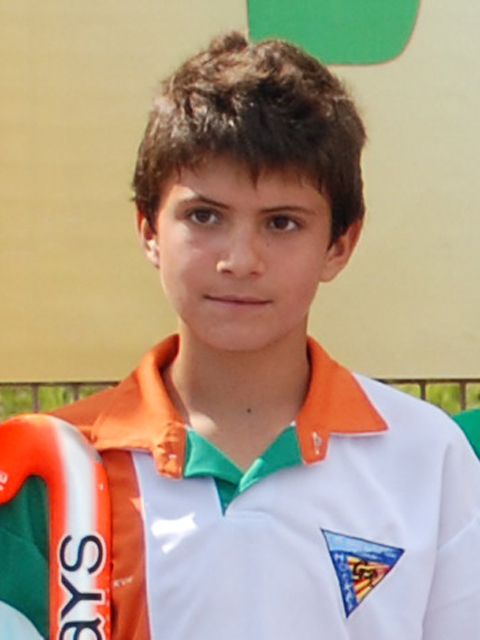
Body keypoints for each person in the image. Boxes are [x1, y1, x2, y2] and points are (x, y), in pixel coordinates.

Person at [2, 30, 480, 640]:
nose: (240, 260)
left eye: (282, 223)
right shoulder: (59, 466)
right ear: (148, 229)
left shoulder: (427, 454)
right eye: (204, 216)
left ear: (340, 244)